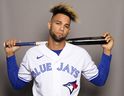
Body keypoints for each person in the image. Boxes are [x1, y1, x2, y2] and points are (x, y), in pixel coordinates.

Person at [4, 3, 114, 96]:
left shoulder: (80, 54)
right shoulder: (32, 54)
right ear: (49, 25)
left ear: (68, 31)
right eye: (58, 23)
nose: (62, 28)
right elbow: (17, 84)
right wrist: (10, 55)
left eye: (66, 26)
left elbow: (100, 81)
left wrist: (107, 51)